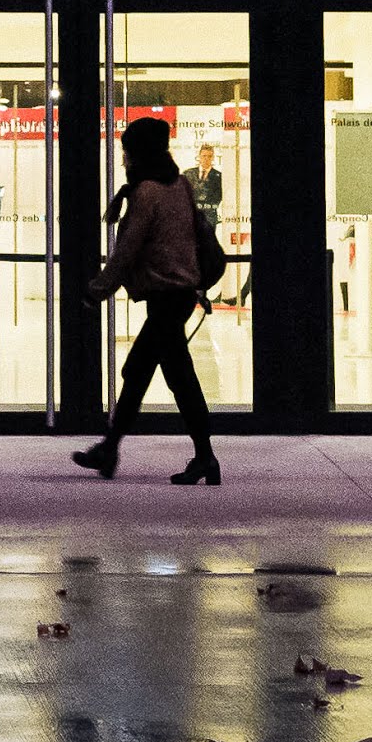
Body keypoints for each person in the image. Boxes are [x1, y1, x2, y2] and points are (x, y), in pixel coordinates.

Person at [70, 113, 225, 485]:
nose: (124, 159)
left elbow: (127, 251)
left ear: (140, 155)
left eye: (127, 153)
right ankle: (121, 449)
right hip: (180, 296)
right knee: (155, 374)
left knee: (158, 374)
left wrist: (97, 290)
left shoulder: (147, 193)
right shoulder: (180, 186)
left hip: (167, 297)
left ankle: (120, 449)